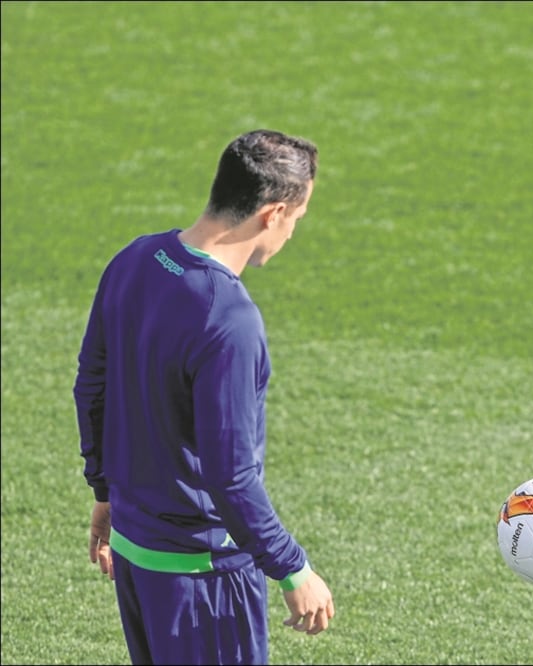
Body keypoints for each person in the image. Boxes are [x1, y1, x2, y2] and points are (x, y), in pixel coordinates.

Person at [74, 129, 336, 665]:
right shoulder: (229, 318)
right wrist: (292, 568)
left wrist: (104, 490)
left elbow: (91, 387)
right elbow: (230, 475)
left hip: (137, 557)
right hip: (203, 577)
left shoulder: (135, 259)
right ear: (273, 213)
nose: (292, 233)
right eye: (297, 219)